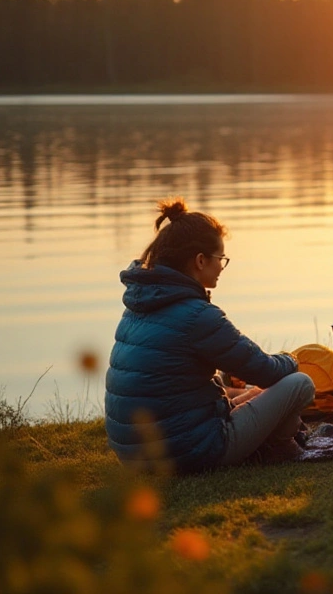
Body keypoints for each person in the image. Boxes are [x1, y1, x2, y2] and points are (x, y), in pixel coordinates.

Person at [105, 198, 315, 473]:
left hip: (135, 457)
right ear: (201, 261)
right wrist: (290, 359)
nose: (221, 268)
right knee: (300, 383)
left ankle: (267, 440)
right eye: (221, 259)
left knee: (246, 388)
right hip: (190, 454)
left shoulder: (138, 307)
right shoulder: (197, 315)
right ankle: (276, 447)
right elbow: (266, 371)